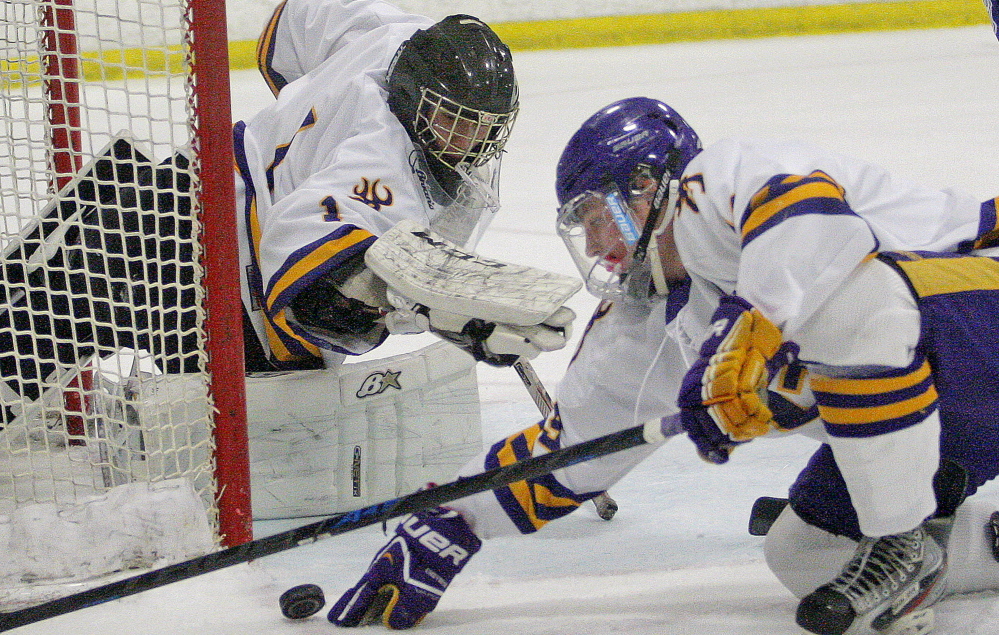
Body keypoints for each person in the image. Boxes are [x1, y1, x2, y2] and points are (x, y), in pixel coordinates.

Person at [327, 96, 999, 635]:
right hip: (957, 418)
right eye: (580, 225)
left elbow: (809, 220)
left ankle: (897, 540)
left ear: (646, 187)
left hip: (979, 313)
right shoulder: (651, 325)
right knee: (803, 552)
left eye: (595, 215)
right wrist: (453, 521)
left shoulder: (721, 183)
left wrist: (749, 330)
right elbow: (569, 451)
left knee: (844, 301)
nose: (591, 241)